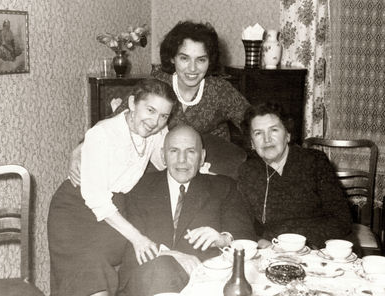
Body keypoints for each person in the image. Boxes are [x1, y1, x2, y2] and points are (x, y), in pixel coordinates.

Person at [68, 21, 249, 184]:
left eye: (201, 60)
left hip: (209, 159)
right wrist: (82, 147)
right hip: (165, 159)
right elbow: (119, 116)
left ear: (210, 61)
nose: (192, 68)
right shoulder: (159, 81)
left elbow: (254, 122)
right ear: (172, 58)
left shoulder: (220, 90)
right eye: (184, 58)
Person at [47, 79, 178, 296]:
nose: (155, 121)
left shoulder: (155, 132)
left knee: (131, 268)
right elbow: (96, 198)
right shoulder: (103, 134)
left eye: (164, 116)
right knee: (89, 272)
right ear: (133, 103)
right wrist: (137, 238)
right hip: (76, 209)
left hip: (114, 210)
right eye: (150, 110)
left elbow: (165, 161)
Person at [117, 125, 254, 296]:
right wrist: (171, 255)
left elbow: (246, 236)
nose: (182, 160)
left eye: (190, 151)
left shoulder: (223, 187)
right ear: (163, 156)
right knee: (161, 270)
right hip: (145, 280)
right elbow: (130, 241)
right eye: (174, 151)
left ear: (202, 157)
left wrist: (223, 239)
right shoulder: (139, 187)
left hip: (202, 283)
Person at [237, 102, 354, 250]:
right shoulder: (247, 171)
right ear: (252, 143)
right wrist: (259, 241)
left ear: (288, 135)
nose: (267, 139)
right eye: (258, 133)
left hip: (317, 247)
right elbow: (241, 221)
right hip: (270, 250)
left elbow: (341, 219)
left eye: (274, 130)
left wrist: (290, 241)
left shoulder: (314, 161)